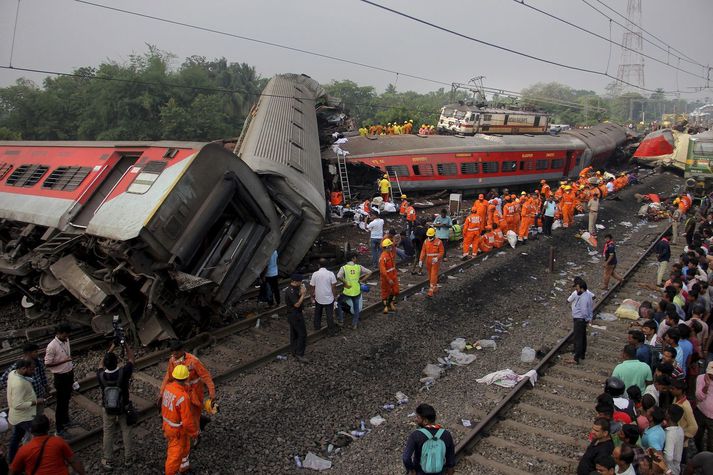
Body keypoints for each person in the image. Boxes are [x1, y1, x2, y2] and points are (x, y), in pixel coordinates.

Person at [159, 340, 216, 439]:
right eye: (172, 352)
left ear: (182, 350)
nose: (174, 354)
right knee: (184, 414)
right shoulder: (172, 360)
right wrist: (162, 392)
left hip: (195, 392)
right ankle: (191, 432)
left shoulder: (193, 361)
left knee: (194, 415)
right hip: (182, 392)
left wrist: (212, 393)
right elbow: (168, 376)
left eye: (176, 352)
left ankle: (196, 436)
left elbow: (206, 376)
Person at [96, 341, 134, 470]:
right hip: (123, 407)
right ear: (117, 362)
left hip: (107, 408)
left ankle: (108, 459)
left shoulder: (101, 375)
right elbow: (131, 358)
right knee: (126, 431)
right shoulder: (124, 372)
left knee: (108, 433)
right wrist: (125, 345)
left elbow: (100, 363)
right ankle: (128, 458)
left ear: (106, 364)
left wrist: (112, 346)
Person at [9, 415, 86, 475]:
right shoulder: (58, 441)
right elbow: (74, 461)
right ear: (48, 428)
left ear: (31, 430)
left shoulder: (24, 450)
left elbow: (13, 470)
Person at [161, 364, 199, 475]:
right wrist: (194, 432)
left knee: (185, 448)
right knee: (174, 456)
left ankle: (183, 469)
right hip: (177, 431)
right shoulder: (183, 397)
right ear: (186, 378)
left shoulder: (168, 388)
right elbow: (187, 420)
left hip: (170, 427)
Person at [402, 403, 455, 475]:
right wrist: (450, 472)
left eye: (418, 417)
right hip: (439, 471)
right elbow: (450, 458)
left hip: (420, 472)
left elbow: (406, 458)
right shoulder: (446, 434)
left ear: (425, 421)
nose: (416, 419)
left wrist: (412, 470)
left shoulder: (416, 435)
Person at [7, 359, 42, 463]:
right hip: (24, 417)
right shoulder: (19, 383)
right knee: (38, 437)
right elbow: (17, 405)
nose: (33, 371)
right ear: (23, 369)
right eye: (31, 369)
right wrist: (35, 402)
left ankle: (12, 459)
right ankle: (33, 459)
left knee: (17, 436)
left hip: (16, 416)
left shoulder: (13, 373)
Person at [43, 322, 73, 436]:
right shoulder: (52, 346)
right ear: (59, 333)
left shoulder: (66, 339)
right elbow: (47, 364)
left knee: (67, 399)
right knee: (61, 403)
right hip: (60, 376)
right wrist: (64, 361)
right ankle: (59, 429)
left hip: (69, 373)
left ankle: (66, 421)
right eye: (65, 335)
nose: (67, 338)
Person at [0, 343, 49, 410]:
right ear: (28, 353)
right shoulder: (19, 365)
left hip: (39, 395)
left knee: (39, 413)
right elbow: (3, 380)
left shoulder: (38, 362)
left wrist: (46, 388)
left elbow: (43, 377)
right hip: (27, 399)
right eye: (35, 352)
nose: (38, 353)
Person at [336, 253, 372, 329]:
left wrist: (345, 282)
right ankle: (354, 324)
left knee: (339, 303)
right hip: (356, 291)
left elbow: (338, 276)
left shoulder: (344, 268)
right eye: (355, 258)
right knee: (356, 308)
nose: (356, 259)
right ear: (353, 258)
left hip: (347, 291)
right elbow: (369, 272)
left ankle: (341, 321)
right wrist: (361, 280)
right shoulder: (359, 267)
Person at [568, 277, 593, 364]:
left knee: (578, 339)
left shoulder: (583, 298)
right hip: (582, 320)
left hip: (579, 320)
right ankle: (582, 354)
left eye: (577, 288)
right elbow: (590, 308)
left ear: (581, 288)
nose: (576, 289)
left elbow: (584, 311)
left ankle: (576, 358)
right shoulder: (588, 295)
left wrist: (586, 319)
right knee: (583, 338)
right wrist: (589, 318)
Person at [284, 274, 308, 362]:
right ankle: (299, 354)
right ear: (295, 281)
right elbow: (297, 304)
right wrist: (303, 295)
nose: (301, 283)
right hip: (295, 315)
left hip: (292, 315)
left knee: (294, 334)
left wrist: (301, 292)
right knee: (302, 334)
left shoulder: (293, 289)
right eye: (300, 281)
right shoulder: (290, 291)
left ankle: (294, 351)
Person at [310, 258, 337, 333]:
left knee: (318, 313)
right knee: (329, 315)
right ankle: (331, 331)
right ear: (327, 265)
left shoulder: (315, 274)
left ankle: (317, 327)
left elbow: (312, 286)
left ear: (319, 265)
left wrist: (312, 296)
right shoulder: (331, 274)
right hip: (329, 298)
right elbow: (334, 287)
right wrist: (335, 296)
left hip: (318, 297)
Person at [419, 228, 444, 299]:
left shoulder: (439, 242)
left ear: (434, 235)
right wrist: (421, 260)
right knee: (430, 274)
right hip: (428, 260)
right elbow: (423, 251)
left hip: (435, 261)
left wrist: (437, 258)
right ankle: (434, 287)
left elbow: (442, 252)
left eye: (431, 236)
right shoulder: (426, 241)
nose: (429, 237)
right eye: (429, 236)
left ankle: (431, 290)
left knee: (433, 274)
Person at [695, 362, 713, 452]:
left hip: (712, 417)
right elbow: (699, 396)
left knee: (711, 442)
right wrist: (706, 386)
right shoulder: (701, 378)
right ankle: (700, 452)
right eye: (710, 374)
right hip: (701, 412)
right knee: (697, 436)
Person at [663, 405, 685, 475]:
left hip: (670, 470)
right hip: (676, 467)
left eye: (666, 411)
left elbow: (668, 457)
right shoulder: (680, 429)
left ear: (668, 416)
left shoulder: (670, 434)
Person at [379, 239, 400, 313]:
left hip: (393, 275)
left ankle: (391, 303)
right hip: (386, 277)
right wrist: (388, 279)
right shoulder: (383, 257)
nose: (391, 247)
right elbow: (383, 271)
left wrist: (394, 275)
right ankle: (386, 307)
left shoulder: (390, 253)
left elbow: (393, 266)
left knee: (396, 290)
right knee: (385, 292)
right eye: (389, 246)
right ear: (386, 247)